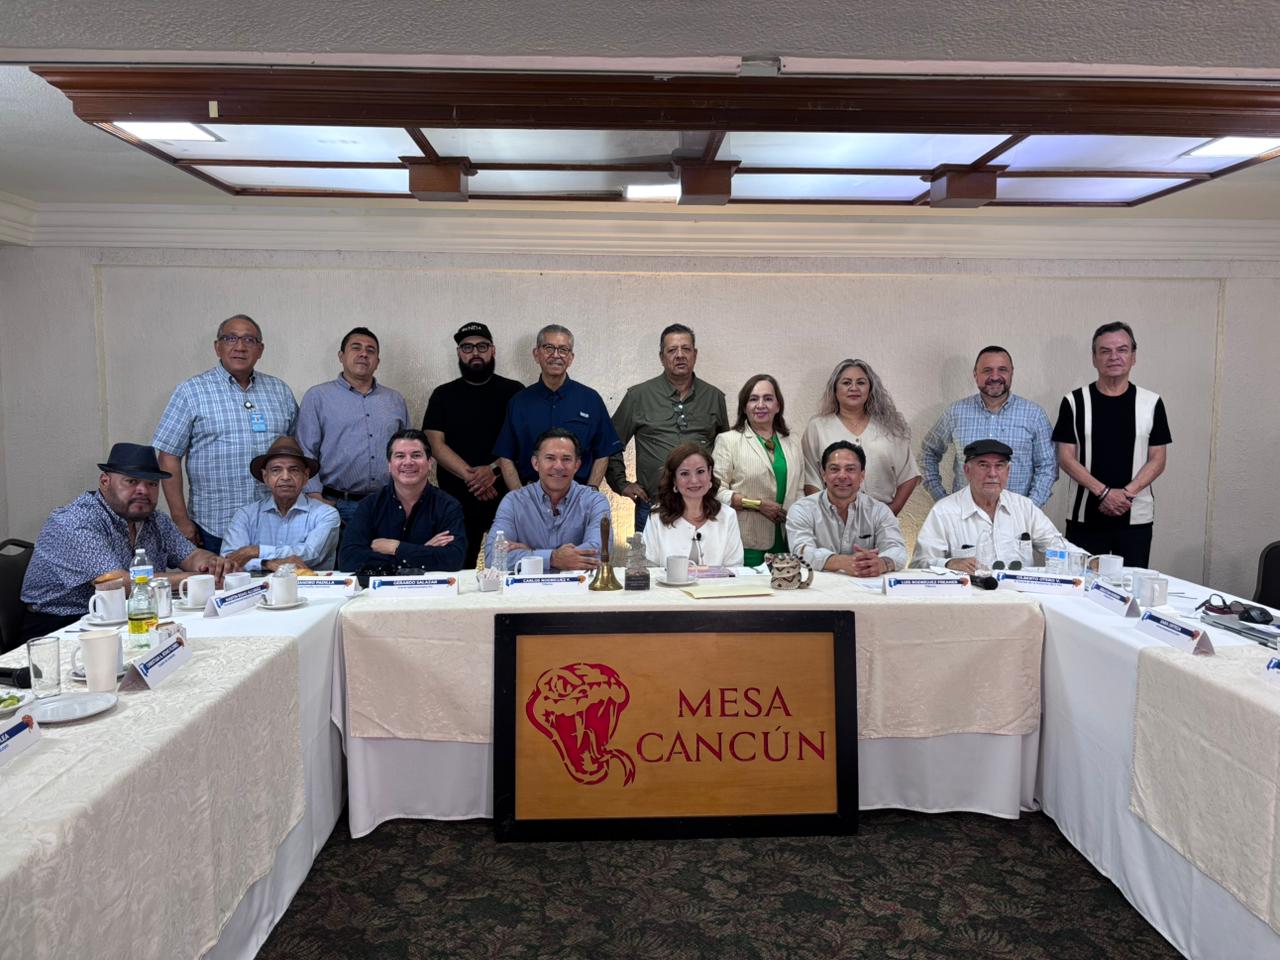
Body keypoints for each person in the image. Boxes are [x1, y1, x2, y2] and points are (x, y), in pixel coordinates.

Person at [20, 443, 234, 640]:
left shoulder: (154, 519)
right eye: (131, 481)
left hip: (127, 618)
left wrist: (212, 564)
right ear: (105, 481)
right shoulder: (76, 520)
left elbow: (192, 555)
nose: (143, 490)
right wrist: (194, 579)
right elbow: (116, 584)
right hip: (60, 625)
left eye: (152, 483)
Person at [153, 314, 298, 554]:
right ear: (217, 347)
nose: (240, 346)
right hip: (214, 526)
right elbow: (168, 456)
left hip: (274, 525)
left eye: (249, 340)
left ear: (260, 350)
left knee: (281, 580)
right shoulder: (191, 391)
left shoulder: (280, 391)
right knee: (217, 580)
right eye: (231, 338)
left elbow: (295, 454)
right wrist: (180, 519)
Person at [1052, 322, 1171, 568]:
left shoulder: (1151, 403)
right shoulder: (1074, 402)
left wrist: (1125, 494)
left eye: (1122, 350)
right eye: (1105, 351)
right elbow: (1065, 457)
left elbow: (1158, 459)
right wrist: (1104, 493)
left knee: (1130, 585)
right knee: (1081, 583)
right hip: (1084, 516)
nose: (1114, 357)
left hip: (1135, 518)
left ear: (1133, 356)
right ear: (1094, 358)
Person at [606, 324, 729, 531]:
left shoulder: (714, 397)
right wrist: (621, 483)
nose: (680, 355)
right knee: (648, 554)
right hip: (654, 507)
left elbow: (726, 451)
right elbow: (610, 442)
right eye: (672, 350)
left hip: (703, 507)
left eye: (686, 349)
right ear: (661, 357)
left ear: (695, 354)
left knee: (703, 554)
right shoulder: (638, 396)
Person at [423, 322, 524, 566]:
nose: (475, 352)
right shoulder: (443, 394)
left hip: (507, 498)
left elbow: (523, 440)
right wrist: (473, 478)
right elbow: (434, 444)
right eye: (467, 347)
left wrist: (493, 470)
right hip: (458, 500)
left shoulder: (515, 392)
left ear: (493, 350)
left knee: (511, 566)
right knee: (457, 568)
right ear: (459, 353)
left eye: (482, 346)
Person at [296, 327, 410, 524]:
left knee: (390, 546)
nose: (364, 354)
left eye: (370, 350)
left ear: (377, 361)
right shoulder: (318, 397)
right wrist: (314, 496)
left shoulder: (394, 400)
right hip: (336, 504)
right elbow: (306, 451)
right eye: (356, 347)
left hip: (388, 502)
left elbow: (407, 449)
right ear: (341, 356)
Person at [919, 345, 1058, 507]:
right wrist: (943, 501)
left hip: (1016, 516)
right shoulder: (955, 412)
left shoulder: (1034, 415)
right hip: (964, 516)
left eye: (1002, 370)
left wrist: (1029, 509)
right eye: (987, 370)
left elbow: (1048, 466)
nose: (995, 376)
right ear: (975, 375)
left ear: (1012, 373)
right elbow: (927, 453)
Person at [492, 324, 622, 491]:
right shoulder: (518, 402)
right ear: (536, 354)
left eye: (563, 350)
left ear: (571, 358)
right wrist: (520, 498)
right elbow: (506, 457)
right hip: (531, 495)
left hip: (578, 496)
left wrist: (590, 492)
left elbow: (603, 452)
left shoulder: (590, 399)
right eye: (549, 348)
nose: (556, 355)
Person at [911, 440, 1072, 572]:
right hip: (970, 597)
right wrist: (949, 564)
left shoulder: (1024, 507)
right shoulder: (944, 511)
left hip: (1019, 596)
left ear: (1008, 471)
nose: (992, 474)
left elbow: (1059, 548)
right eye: (983, 465)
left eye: (999, 466)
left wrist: (1084, 561)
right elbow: (919, 565)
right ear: (967, 471)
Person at [801, 358, 920, 514]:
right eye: (846, 383)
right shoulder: (818, 427)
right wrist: (824, 514)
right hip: (832, 517)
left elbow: (909, 474)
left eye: (861, 383)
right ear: (835, 389)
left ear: (870, 389)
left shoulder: (889, 427)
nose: (854, 388)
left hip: (880, 517)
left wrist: (891, 512)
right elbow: (810, 476)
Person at [337, 429, 467, 572]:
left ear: (430, 463)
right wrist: (421, 552)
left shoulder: (448, 506)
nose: (408, 462)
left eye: (416, 455)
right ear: (389, 465)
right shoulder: (369, 506)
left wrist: (395, 547)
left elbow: (453, 560)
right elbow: (348, 560)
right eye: (400, 456)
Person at [484, 429, 611, 572]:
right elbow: (493, 557)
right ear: (536, 463)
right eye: (550, 458)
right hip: (527, 587)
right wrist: (552, 558)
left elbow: (599, 553)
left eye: (566, 459)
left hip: (578, 585)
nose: (558, 466)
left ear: (577, 465)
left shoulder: (595, 501)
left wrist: (532, 553)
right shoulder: (513, 502)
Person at [712, 374, 803, 567]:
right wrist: (757, 505)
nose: (760, 405)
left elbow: (800, 490)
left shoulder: (793, 442)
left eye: (768, 399)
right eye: (753, 399)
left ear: (778, 406)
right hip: (747, 541)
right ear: (744, 407)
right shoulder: (728, 441)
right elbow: (715, 491)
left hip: (787, 539)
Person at [221, 436, 341, 572]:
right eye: (276, 470)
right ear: (265, 477)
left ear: (306, 476)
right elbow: (229, 559)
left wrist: (256, 551)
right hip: (257, 583)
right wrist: (265, 563)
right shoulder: (246, 515)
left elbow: (311, 554)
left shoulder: (325, 513)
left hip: (308, 583)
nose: (285, 477)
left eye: (294, 470)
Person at [787, 441, 907, 576]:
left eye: (850, 469)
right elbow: (801, 551)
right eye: (834, 469)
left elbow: (897, 549)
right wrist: (840, 562)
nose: (842, 476)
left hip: (867, 586)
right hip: (818, 586)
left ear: (862, 475)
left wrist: (882, 563)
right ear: (823, 474)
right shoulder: (802, 509)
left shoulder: (879, 511)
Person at [642, 442, 744, 568]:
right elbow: (649, 568)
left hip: (718, 582)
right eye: (685, 473)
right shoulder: (657, 517)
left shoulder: (727, 515)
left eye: (700, 471)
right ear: (674, 479)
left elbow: (735, 568)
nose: (694, 480)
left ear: (710, 473)